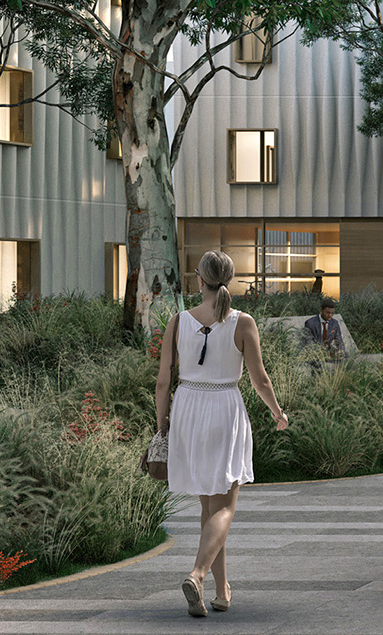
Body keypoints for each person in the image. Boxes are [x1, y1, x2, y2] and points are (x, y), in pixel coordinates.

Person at [154, 250, 289, 617]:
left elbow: (163, 381)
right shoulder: (242, 322)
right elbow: (260, 379)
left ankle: (220, 591)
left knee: (209, 507)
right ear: (228, 279)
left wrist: (162, 425)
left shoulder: (178, 321)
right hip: (223, 409)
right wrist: (278, 413)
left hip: (187, 411)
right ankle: (198, 575)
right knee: (225, 505)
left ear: (200, 280)